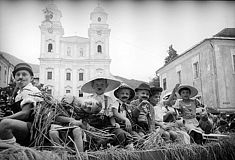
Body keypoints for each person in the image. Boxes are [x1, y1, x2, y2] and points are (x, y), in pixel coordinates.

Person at [81, 75, 133, 149]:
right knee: (96, 139)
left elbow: (111, 115)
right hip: (93, 127)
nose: (99, 87)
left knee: (120, 133)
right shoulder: (88, 99)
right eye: (97, 85)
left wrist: (114, 124)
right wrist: (88, 126)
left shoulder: (109, 99)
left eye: (102, 85)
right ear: (93, 86)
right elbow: (84, 115)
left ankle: (118, 150)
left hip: (106, 126)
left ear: (106, 86)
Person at [0, 63, 42, 147]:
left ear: (31, 78)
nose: (20, 77)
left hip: (33, 128)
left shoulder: (30, 90)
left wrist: (4, 118)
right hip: (25, 126)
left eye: (24, 74)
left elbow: (25, 114)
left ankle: (14, 149)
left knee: (5, 124)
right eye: (17, 75)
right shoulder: (20, 92)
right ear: (14, 78)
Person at [111, 83, 135, 150]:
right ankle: (126, 147)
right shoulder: (116, 103)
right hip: (118, 125)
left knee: (135, 135)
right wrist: (126, 119)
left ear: (129, 96)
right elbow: (115, 113)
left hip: (125, 126)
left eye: (127, 94)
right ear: (118, 94)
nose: (125, 95)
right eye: (122, 93)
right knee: (125, 135)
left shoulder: (127, 106)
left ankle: (130, 145)